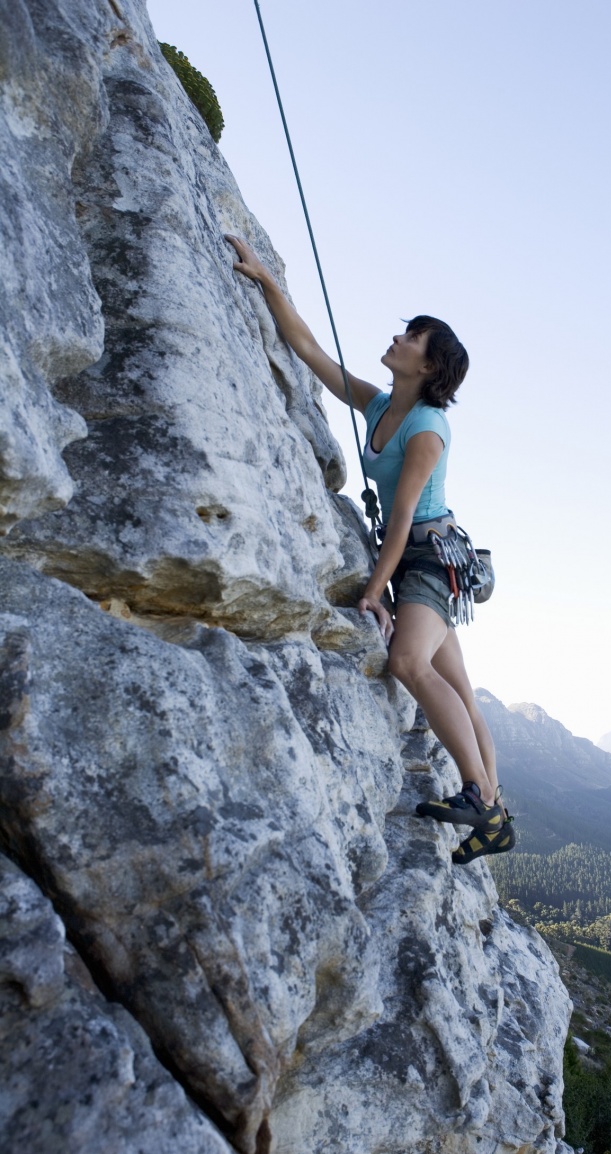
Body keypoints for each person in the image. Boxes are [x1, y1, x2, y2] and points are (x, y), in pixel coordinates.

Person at [225, 235, 514, 863]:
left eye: (413, 336)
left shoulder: (427, 429)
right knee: (460, 692)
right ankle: (496, 817)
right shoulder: (383, 404)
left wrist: (374, 593)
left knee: (410, 663)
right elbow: (311, 354)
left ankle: (477, 798)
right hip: (420, 556)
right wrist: (269, 284)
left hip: (430, 561)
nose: (399, 338)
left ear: (429, 366)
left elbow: (405, 518)